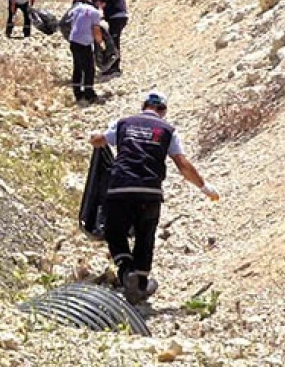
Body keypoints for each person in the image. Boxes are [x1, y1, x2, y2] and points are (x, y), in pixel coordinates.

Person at [89, 92, 219, 304]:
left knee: (115, 231)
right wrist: (204, 187)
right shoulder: (168, 131)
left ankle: (125, 271)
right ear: (164, 111)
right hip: (149, 191)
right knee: (145, 235)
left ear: (144, 106)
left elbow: (98, 141)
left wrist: (93, 136)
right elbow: (182, 164)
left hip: (120, 187)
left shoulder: (123, 123)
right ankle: (139, 283)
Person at [84, 0, 129, 75]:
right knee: (111, 41)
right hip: (114, 18)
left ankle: (114, 67)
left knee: (113, 41)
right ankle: (111, 65)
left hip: (118, 17)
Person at [67, 0, 105, 104]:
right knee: (89, 69)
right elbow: (96, 30)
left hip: (73, 40)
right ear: (97, 3)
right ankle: (89, 94)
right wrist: (100, 42)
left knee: (78, 67)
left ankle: (77, 94)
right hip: (84, 43)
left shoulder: (77, 8)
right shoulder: (95, 13)